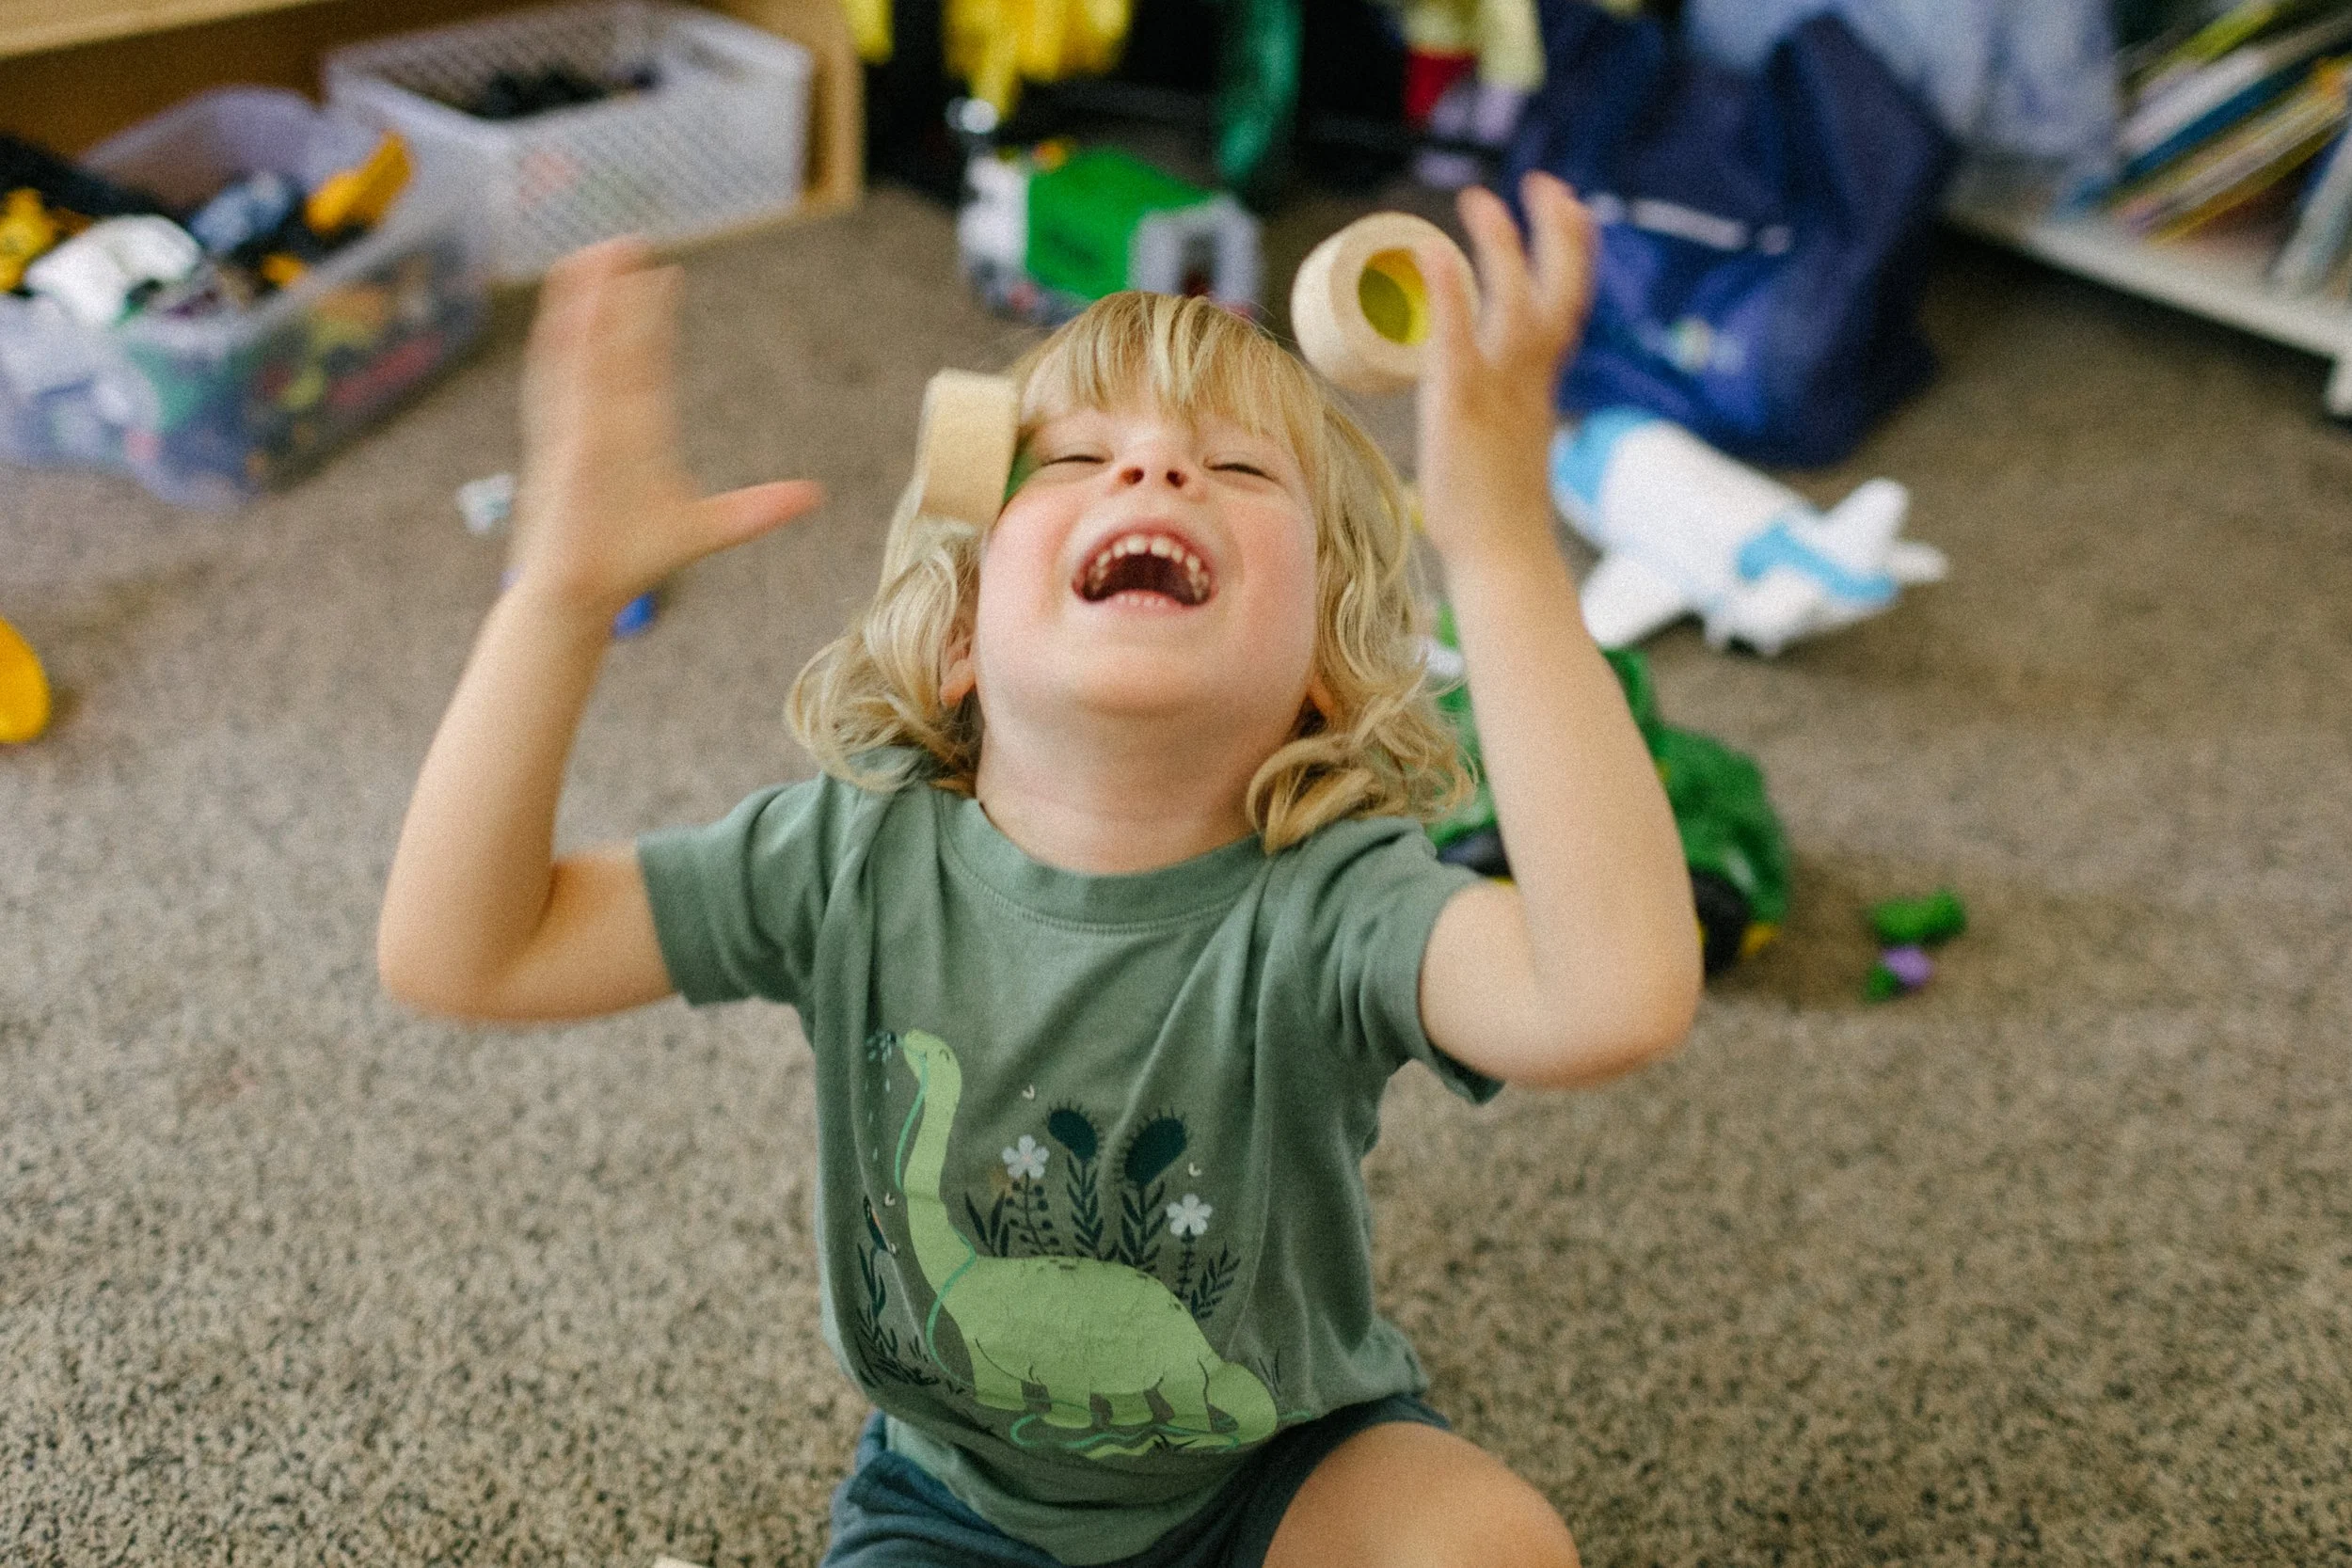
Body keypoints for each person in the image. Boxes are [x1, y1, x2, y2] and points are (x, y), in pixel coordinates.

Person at [378, 170, 1700, 1568]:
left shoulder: (1339, 901)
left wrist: (1501, 554)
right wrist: (558, 597)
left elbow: (1611, 996)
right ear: (958, 633)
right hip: (955, 1504)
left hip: (1278, 1466)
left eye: (1240, 469)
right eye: (1074, 459)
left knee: (1489, 1544)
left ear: (1323, 666)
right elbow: (465, 951)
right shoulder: (846, 858)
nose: (1156, 467)